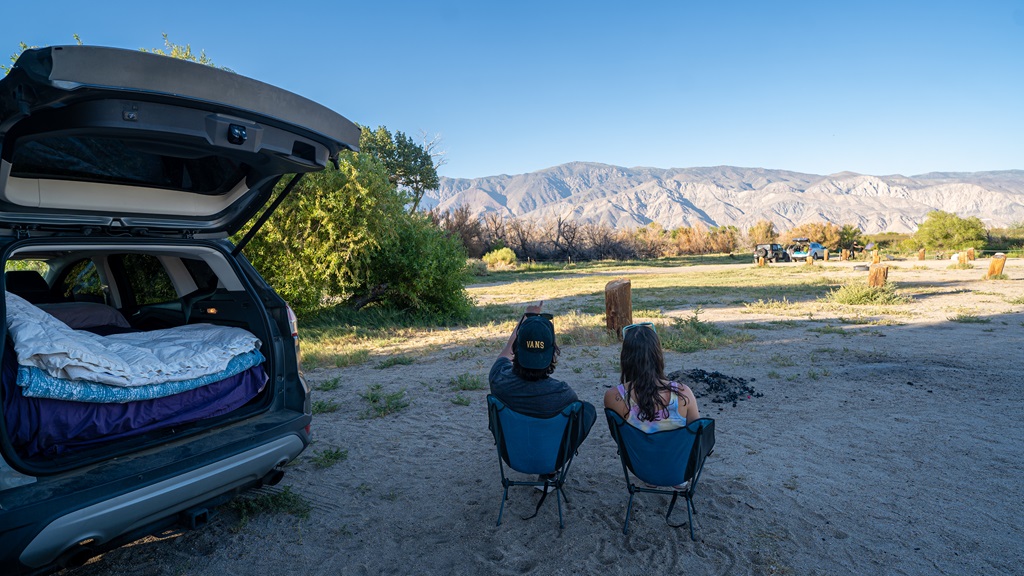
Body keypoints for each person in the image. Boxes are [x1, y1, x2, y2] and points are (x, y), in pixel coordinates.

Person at [488, 301, 596, 482]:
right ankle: (551, 472)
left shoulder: (498, 378)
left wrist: (525, 318)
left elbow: (505, 354)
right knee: (587, 411)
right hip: (550, 459)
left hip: (511, 458)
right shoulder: (563, 394)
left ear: (517, 350)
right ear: (553, 353)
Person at [603, 322, 700, 432]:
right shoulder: (683, 393)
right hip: (678, 449)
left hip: (635, 449)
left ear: (625, 357)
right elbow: (697, 435)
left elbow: (618, 436)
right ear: (658, 355)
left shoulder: (613, 396)